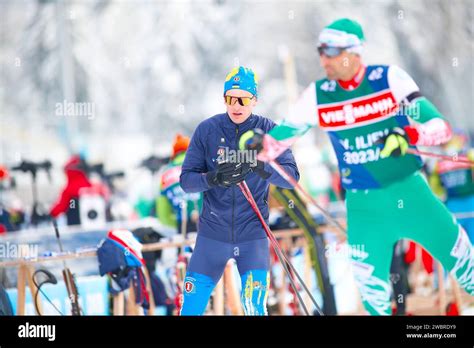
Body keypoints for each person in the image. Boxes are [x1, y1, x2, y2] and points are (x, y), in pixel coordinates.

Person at [246, 18, 474, 315]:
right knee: (373, 301)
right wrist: (253, 148)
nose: (323, 58)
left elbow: (440, 127)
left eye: (330, 50)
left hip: (413, 196)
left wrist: (409, 135)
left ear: (353, 52)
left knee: (468, 270)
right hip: (365, 209)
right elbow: (277, 142)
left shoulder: (388, 79)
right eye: (320, 50)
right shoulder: (319, 94)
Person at [179, 66, 299, 315]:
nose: (236, 105)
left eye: (243, 99)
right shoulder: (207, 130)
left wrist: (261, 166)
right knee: (190, 309)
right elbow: (186, 180)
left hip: (252, 237)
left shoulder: (268, 131)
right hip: (212, 237)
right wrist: (214, 178)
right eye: (230, 98)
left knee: (254, 308)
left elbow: (292, 179)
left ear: (254, 100)